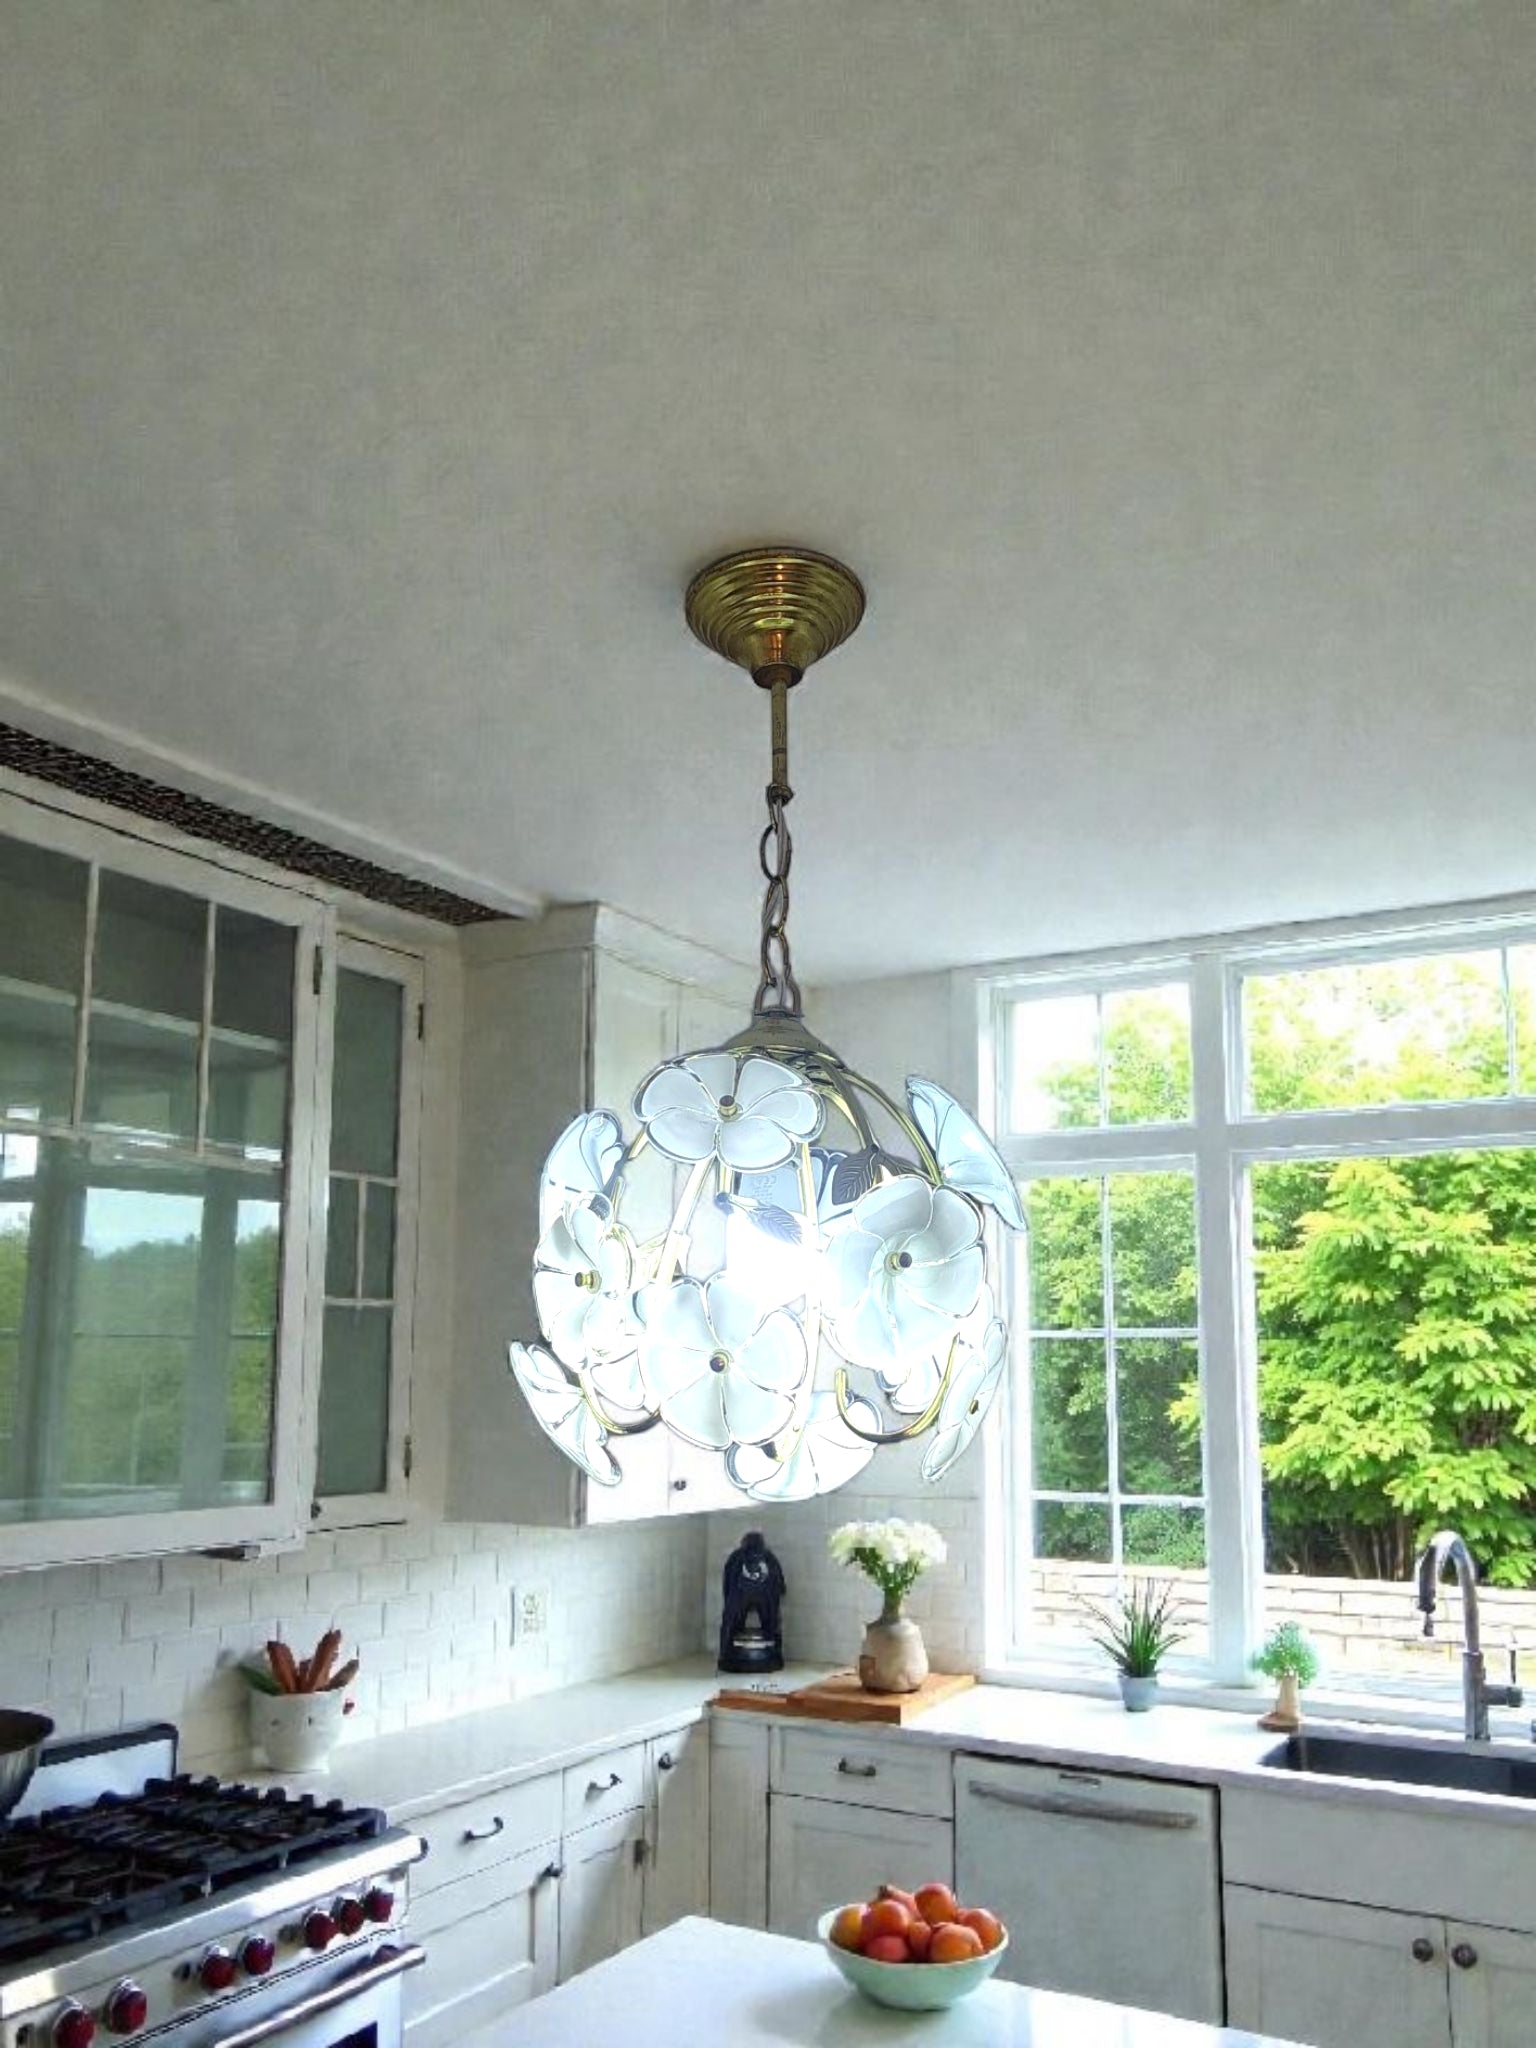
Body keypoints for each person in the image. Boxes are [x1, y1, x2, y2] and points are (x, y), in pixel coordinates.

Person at [718, 1529, 786, 1672]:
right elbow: (779, 1582)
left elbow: (727, 1580)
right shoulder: (768, 1557)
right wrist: (776, 1600)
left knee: (730, 1625)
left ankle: (727, 1658)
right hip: (765, 1597)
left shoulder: (736, 1556)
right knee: (772, 1626)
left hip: (739, 1596)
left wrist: (729, 1602)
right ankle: (774, 1658)